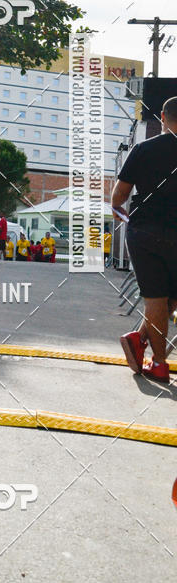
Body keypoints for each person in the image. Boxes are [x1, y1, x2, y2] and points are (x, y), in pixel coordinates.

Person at [112, 95, 177, 383]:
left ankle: (157, 361)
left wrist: (128, 221)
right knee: (169, 298)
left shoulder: (143, 149)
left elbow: (118, 199)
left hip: (145, 231)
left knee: (156, 297)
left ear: (162, 117)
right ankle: (140, 342)